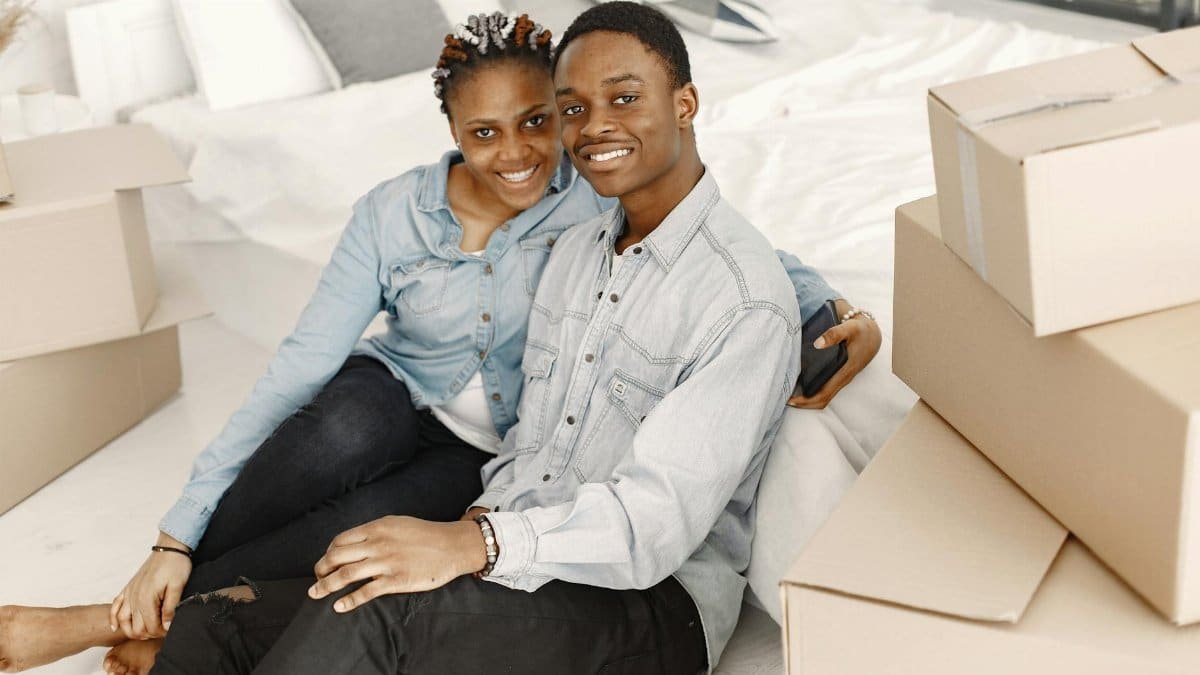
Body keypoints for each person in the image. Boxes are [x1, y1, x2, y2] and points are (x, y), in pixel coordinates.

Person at [0, 9, 880, 675]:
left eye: (620, 100)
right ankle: (153, 605)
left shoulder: (734, 295)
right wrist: (178, 534)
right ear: (455, 136)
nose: (578, 132)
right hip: (503, 514)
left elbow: (656, 520)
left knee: (363, 611)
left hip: (648, 597)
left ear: (685, 104)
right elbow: (303, 374)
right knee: (224, 616)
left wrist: (470, 545)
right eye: (577, 108)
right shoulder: (578, 241)